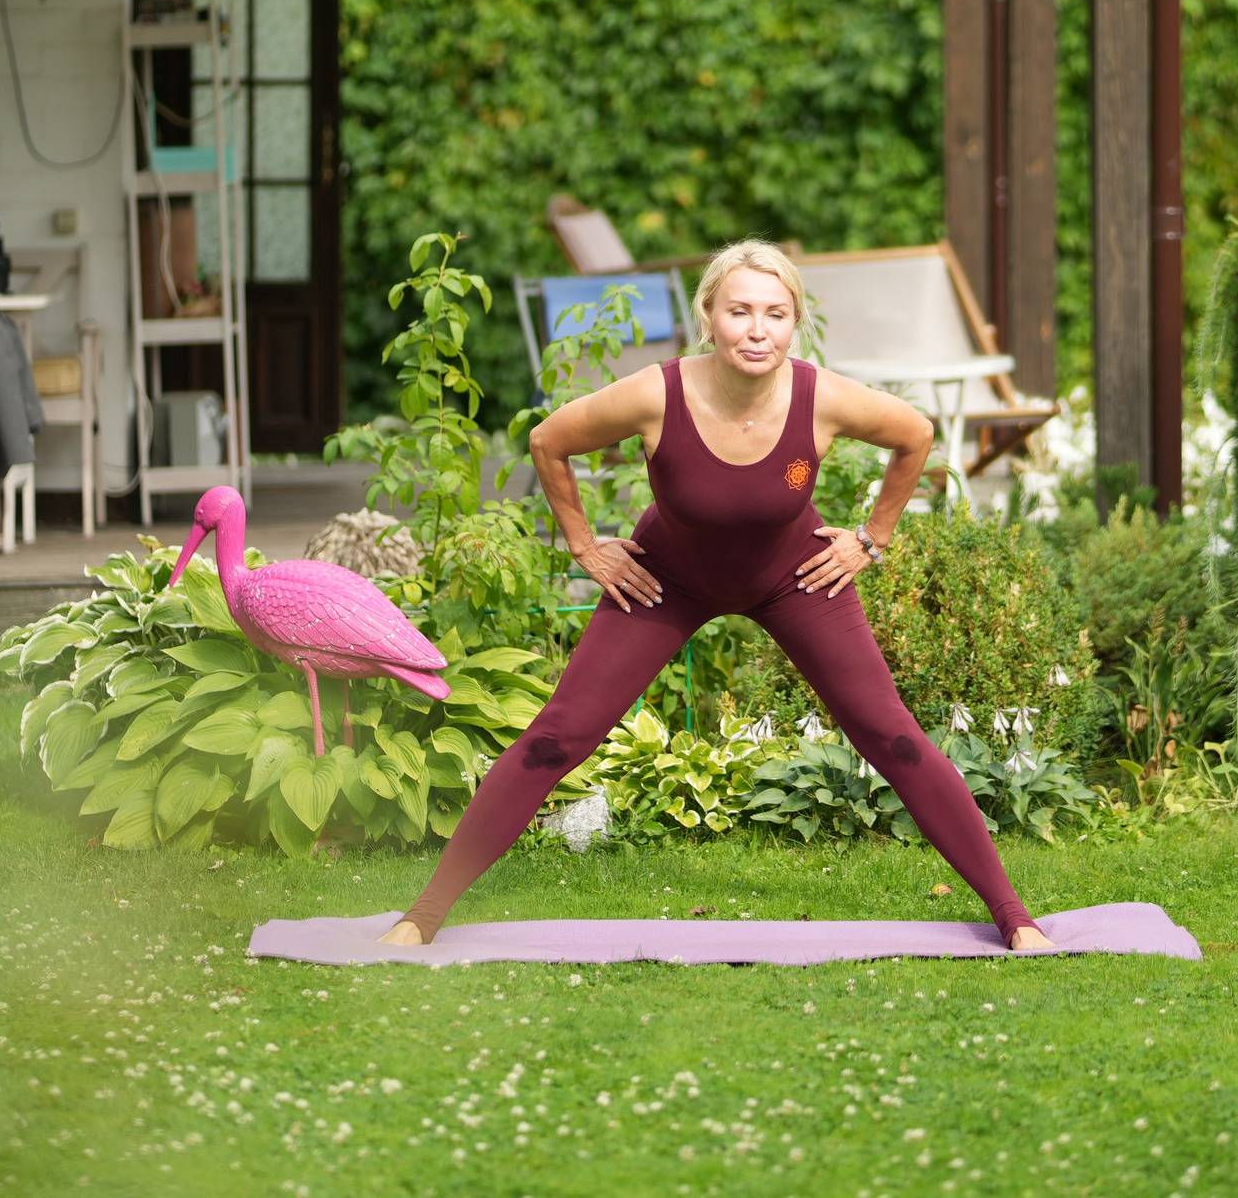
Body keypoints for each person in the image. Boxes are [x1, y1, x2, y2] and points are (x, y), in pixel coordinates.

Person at [381, 240, 1053, 951]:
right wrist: (585, 545)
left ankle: (1014, 916)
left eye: (775, 312)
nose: (757, 329)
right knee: (557, 738)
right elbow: (549, 441)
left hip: (794, 577)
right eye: (739, 311)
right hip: (666, 578)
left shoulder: (820, 396)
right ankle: (422, 915)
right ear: (709, 316)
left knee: (892, 737)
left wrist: (872, 538)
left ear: (794, 322)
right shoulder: (654, 394)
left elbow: (915, 434)